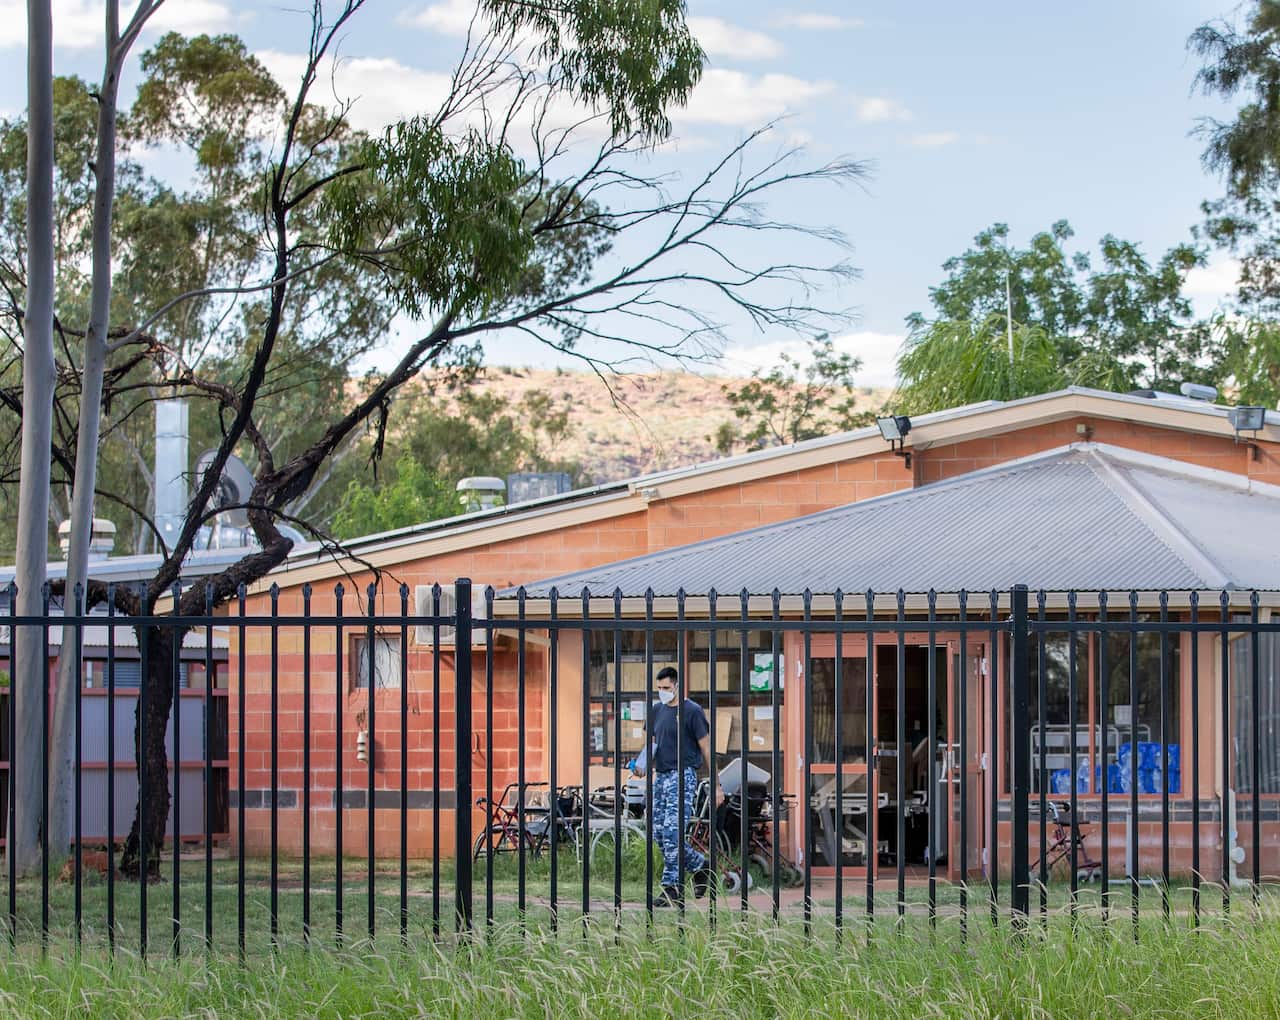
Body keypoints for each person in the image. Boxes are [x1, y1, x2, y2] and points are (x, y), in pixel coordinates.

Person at [631, 665, 717, 906]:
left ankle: (672, 888)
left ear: (677, 686)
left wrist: (716, 784)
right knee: (658, 833)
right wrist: (642, 765)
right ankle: (701, 866)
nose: (662, 692)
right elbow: (653, 744)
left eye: (666, 688)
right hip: (661, 775)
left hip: (683, 775)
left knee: (672, 832)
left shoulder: (692, 711)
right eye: (659, 688)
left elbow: (706, 748)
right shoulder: (656, 711)